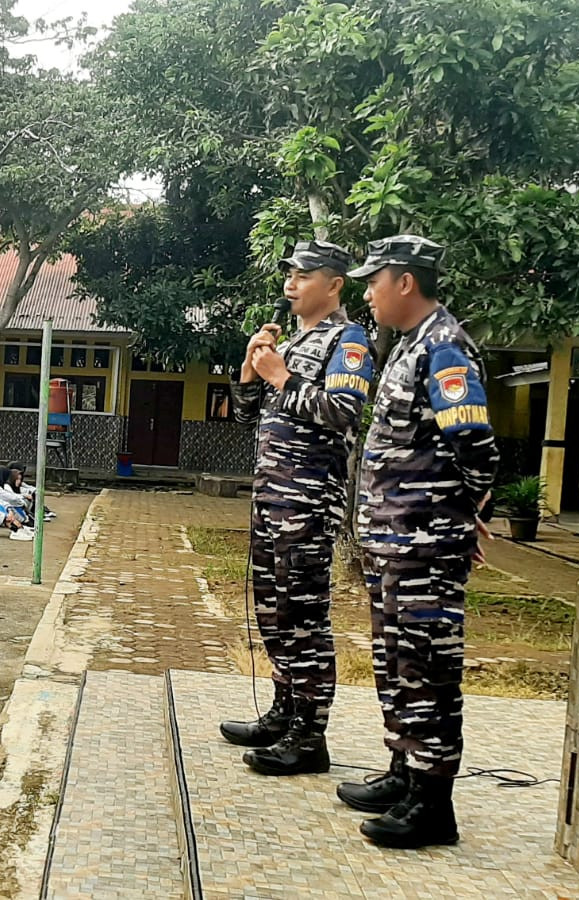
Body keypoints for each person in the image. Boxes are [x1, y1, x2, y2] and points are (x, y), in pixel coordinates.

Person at [342, 235, 498, 849]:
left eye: (373, 280)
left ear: (405, 281)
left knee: (427, 666)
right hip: (394, 542)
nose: (368, 292)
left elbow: (475, 445)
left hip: (424, 544)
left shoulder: (444, 347)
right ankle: (404, 771)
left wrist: (464, 513)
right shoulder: (410, 344)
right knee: (396, 661)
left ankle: (433, 804)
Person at [218, 239, 371, 778]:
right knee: (274, 609)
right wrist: (250, 368)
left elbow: (343, 411)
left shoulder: (348, 341)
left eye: (304, 275)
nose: (291, 283)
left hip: (308, 501)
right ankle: (283, 712)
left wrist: (282, 376)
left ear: (334, 284)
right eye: (289, 273)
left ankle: (310, 734)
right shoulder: (295, 341)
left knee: (305, 615)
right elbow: (246, 418)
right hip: (271, 498)